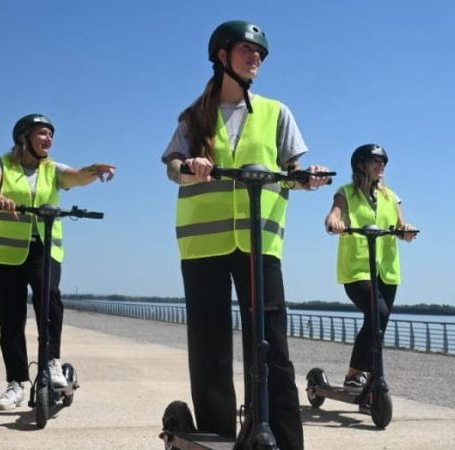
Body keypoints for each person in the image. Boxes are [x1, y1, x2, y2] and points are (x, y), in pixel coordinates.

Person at [161, 20, 331, 450]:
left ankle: (284, 440)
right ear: (222, 56)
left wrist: (306, 179)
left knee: (271, 347)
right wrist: (190, 168)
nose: (256, 58)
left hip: (260, 244)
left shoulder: (277, 112)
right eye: (246, 50)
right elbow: (171, 167)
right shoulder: (194, 116)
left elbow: (292, 172)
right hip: (203, 245)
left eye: (260, 53)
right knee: (210, 347)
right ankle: (217, 439)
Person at [0, 113, 116, 410]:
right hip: (5, 253)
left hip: (43, 249)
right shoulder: (0, 163)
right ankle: (15, 383)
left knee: (50, 300)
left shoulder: (52, 169)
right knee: (11, 319)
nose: (49, 139)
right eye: (42, 133)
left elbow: (76, 176)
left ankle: (52, 361)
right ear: (24, 137)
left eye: (51, 135)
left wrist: (95, 170)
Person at [324, 144, 417, 389]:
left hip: (387, 271)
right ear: (360, 165)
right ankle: (355, 373)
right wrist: (335, 222)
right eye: (375, 160)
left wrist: (406, 231)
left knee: (378, 326)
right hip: (357, 269)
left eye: (383, 162)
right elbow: (334, 214)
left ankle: (371, 381)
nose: (381, 165)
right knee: (379, 314)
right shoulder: (346, 192)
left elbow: (401, 226)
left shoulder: (391, 197)